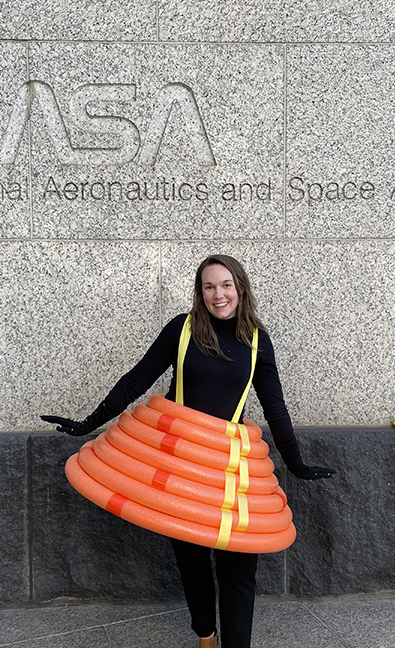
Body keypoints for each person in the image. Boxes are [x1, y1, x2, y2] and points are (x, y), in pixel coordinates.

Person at [42, 254, 335, 648]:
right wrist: (87, 424)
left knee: (238, 570)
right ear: (200, 292)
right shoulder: (182, 330)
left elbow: (275, 407)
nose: (219, 295)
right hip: (183, 473)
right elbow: (136, 381)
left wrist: (295, 464)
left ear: (241, 288)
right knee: (193, 563)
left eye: (226, 285)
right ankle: (206, 636)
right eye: (209, 286)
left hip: (229, 469)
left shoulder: (257, 341)